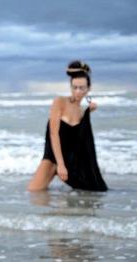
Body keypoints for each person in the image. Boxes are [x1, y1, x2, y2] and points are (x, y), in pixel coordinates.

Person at [28, 60, 108, 192]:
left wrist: (89, 111)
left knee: (87, 194)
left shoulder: (82, 112)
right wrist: (60, 165)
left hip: (69, 161)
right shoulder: (60, 102)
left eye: (82, 88)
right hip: (53, 157)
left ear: (88, 88)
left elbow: (80, 140)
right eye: (74, 87)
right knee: (33, 193)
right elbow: (54, 134)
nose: (78, 91)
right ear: (70, 87)